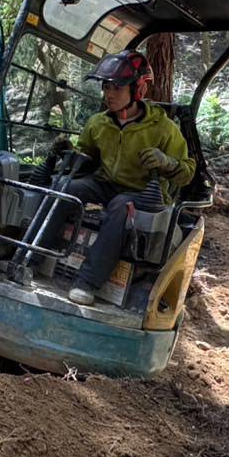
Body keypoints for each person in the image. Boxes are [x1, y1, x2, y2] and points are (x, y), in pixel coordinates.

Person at [38, 50, 195, 306]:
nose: (108, 94)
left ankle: (87, 282)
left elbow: (187, 173)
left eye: (117, 88)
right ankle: (31, 255)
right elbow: (87, 161)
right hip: (104, 184)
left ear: (137, 89)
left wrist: (167, 162)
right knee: (64, 187)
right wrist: (69, 153)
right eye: (106, 86)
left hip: (144, 193)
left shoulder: (164, 128)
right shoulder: (98, 123)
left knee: (122, 206)